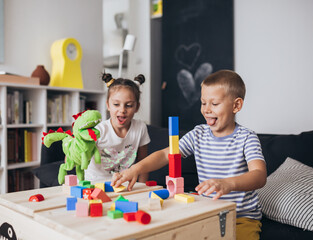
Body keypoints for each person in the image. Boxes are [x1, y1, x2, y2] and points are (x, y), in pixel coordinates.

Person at [111, 70, 267, 240]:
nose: (206, 110)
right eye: (203, 103)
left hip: (241, 217)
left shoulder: (247, 137)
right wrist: (136, 168)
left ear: (236, 106)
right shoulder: (198, 133)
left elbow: (259, 175)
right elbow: (166, 154)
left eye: (214, 104)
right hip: (207, 211)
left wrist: (228, 184)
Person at [84, 72, 150, 183]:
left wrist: (143, 188)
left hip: (122, 184)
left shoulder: (140, 128)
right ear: (108, 105)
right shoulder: (99, 130)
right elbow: (76, 158)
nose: (122, 110)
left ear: (137, 107)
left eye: (128, 105)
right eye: (116, 104)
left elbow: (143, 165)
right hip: (94, 183)